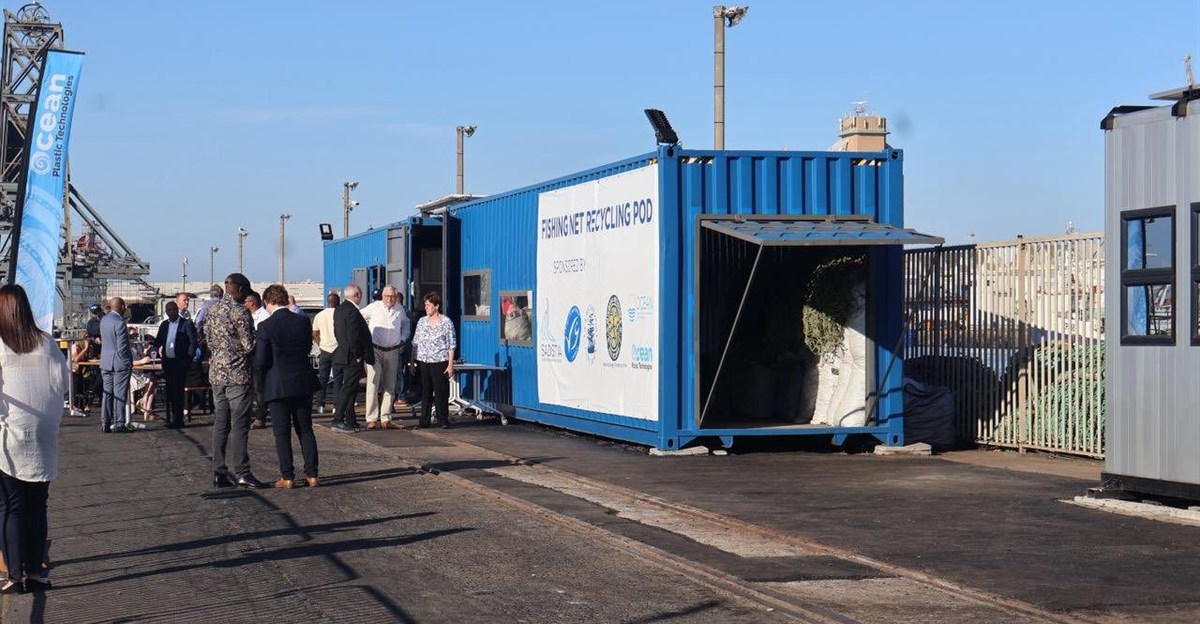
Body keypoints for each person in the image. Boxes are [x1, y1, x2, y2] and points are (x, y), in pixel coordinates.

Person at [0, 284, 68, 593]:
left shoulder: (1, 344)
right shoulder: (47, 342)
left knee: (10, 506)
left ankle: (15, 575)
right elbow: (61, 385)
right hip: (42, 433)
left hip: (10, 433)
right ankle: (37, 571)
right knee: (37, 505)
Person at [206, 273, 268, 489]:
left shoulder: (212, 310)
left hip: (217, 374)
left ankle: (218, 471)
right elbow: (249, 345)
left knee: (220, 424)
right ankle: (242, 471)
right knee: (240, 425)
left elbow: (209, 341)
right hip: (237, 374)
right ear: (241, 290)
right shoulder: (241, 311)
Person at [255, 285, 320, 488]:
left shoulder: (265, 326)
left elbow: (261, 360)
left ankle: (288, 476)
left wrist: (260, 384)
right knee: (305, 429)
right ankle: (312, 474)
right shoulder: (302, 321)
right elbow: (308, 348)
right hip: (302, 381)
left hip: (277, 384)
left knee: (282, 432)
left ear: (268, 301)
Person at [358, 285, 411, 430]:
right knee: (373, 384)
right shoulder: (374, 307)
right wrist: (363, 338)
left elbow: (406, 324)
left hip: (393, 350)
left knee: (390, 385)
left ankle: (386, 418)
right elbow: (357, 317)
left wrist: (403, 338)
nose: (390, 299)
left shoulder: (399, 309)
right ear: (382, 296)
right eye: (387, 296)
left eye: (393, 297)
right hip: (375, 349)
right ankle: (371, 418)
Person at [411, 292, 456, 429]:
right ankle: (424, 420)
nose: (426, 307)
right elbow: (415, 342)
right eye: (425, 305)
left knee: (440, 391)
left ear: (436, 306)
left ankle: (443, 419)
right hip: (424, 360)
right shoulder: (422, 321)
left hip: (439, 360)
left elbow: (451, 344)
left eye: (429, 305)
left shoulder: (446, 322)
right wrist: (412, 360)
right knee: (425, 391)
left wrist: (450, 365)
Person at [331, 284, 372, 433]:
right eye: (360, 294)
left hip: (342, 353)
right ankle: (338, 419)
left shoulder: (339, 310)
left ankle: (351, 420)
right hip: (352, 356)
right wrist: (358, 355)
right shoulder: (353, 311)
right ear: (356, 295)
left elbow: (337, 332)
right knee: (348, 389)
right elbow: (354, 336)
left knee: (351, 388)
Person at [153, 301, 198, 428]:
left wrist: (188, 360)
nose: (171, 312)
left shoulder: (186, 324)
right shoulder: (164, 325)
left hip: (180, 362)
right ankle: (171, 418)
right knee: (170, 391)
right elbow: (158, 340)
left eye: (173, 310)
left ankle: (178, 419)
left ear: (177, 310)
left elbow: (193, 343)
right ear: (166, 312)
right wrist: (152, 347)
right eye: (169, 310)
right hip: (168, 362)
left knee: (178, 392)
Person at [99, 297, 133, 433]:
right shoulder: (120, 323)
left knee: (107, 393)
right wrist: (129, 362)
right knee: (119, 394)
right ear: (123, 307)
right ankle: (119, 423)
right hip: (119, 364)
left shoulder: (104, 320)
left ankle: (105, 422)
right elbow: (122, 348)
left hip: (105, 362)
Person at [311, 291, 341, 415]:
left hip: (324, 349)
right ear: (338, 302)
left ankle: (320, 405)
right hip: (338, 350)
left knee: (322, 379)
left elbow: (315, 333)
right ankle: (336, 406)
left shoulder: (320, 315)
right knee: (338, 379)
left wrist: (320, 343)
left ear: (328, 302)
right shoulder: (340, 314)